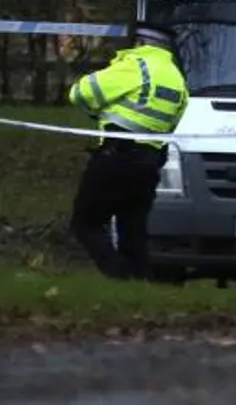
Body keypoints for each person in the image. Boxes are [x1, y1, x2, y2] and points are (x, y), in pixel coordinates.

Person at [67, 21, 189, 280]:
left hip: (116, 158)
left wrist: (98, 109)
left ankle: (118, 275)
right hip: (149, 165)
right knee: (132, 230)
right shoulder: (177, 79)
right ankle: (138, 283)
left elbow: (80, 93)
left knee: (85, 223)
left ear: (141, 43)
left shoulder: (135, 66)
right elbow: (171, 122)